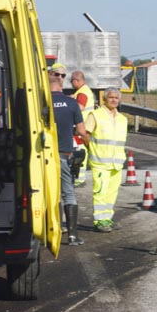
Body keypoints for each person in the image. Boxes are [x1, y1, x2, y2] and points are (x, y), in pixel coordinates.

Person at [49, 63, 89, 245]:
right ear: (62, 82)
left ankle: (53, 231)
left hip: (44, 157)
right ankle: (72, 235)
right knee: (68, 193)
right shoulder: (71, 103)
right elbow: (81, 131)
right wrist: (90, 145)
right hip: (64, 154)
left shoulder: (40, 102)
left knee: (50, 194)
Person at [83, 88, 128, 232]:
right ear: (104, 99)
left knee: (111, 192)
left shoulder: (122, 119)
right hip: (100, 162)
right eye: (111, 97)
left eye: (116, 97)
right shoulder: (95, 115)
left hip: (117, 162)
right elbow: (85, 134)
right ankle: (100, 220)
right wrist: (92, 150)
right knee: (100, 191)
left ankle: (107, 218)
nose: (114, 100)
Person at [69, 70, 95, 186]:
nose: (70, 83)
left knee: (80, 152)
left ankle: (80, 179)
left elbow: (80, 107)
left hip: (81, 127)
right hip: (84, 126)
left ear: (77, 80)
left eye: (72, 81)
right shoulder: (83, 90)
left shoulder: (82, 92)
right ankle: (80, 178)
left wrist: (70, 105)